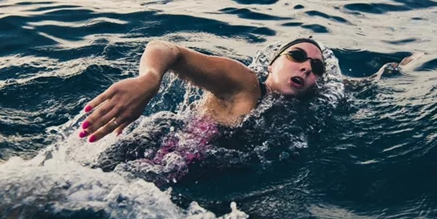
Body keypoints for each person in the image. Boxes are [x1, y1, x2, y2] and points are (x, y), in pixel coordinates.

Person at [79, 38, 418, 142]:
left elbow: (357, 83)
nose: (305, 67)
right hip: (158, 159)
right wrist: (149, 80)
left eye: (315, 68)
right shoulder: (242, 84)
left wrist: (400, 68)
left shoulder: (311, 98)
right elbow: (169, 50)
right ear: (272, 63)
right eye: (297, 56)